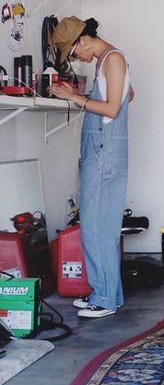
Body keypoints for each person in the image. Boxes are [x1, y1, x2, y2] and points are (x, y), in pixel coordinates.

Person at [48, 16, 134, 319]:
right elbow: (128, 95)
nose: (77, 59)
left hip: (104, 151)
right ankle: (109, 294)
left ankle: (104, 298)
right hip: (105, 149)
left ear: (84, 40)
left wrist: (75, 97)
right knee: (102, 228)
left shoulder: (112, 59)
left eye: (74, 53)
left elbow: (112, 108)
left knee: (95, 229)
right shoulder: (108, 61)